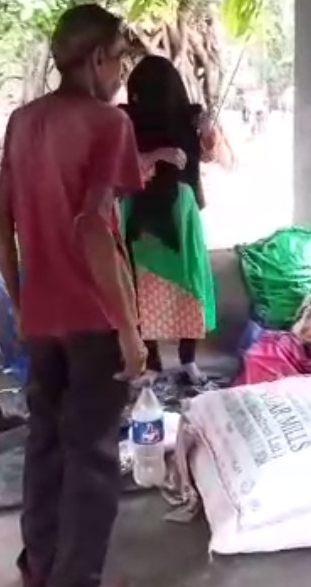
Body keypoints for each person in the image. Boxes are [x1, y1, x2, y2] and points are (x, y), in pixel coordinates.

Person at [0, 4, 155, 587]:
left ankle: (38, 568)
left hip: (43, 318)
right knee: (92, 456)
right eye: (120, 60)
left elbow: (0, 225)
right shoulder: (110, 125)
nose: (122, 73)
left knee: (46, 445)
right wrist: (130, 331)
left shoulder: (22, 121)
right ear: (97, 59)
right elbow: (92, 227)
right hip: (93, 319)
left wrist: (21, 306)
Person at [119, 55, 218, 386]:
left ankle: (188, 361)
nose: (136, 97)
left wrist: (208, 131)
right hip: (142, 210)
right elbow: (118, 161)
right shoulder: (125, 118)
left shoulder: (189, 116)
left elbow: (208, 154)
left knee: (190, 284)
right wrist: (156, 155)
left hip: (180, 210)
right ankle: (153, 363)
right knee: (143, 287)